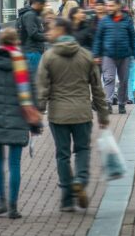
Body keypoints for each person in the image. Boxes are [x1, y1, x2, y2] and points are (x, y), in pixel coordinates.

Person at [36, 18, 109, 211]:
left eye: (51, 29)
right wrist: (103, 114)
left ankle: (67, 199)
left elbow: (42, 87)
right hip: (82, 113)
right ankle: (81, 180)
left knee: (62, 155)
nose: (48, 33)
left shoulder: (49, 56)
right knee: (83, 149)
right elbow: (97, 87)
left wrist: (38, 112)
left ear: (61, 30)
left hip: (58, 114)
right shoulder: (86, 55)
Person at [0, 28, 43, 219]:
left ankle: (1, 202)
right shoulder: (22, 62)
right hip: (19, 116)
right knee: (14, 163)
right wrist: (34, 113)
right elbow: (32, 93)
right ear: (16, 41)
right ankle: (13, 207)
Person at [92, 0, 135, 114]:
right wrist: (96, 55)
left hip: (124, 56)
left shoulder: (127, 20)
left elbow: (133, 39)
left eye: (111, 6)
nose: (108, 8)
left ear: (118, 6)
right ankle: (108, 102)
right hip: (108, 55)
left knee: (123, 81)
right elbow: (98, 39)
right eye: (107, 6)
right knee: (109, 79)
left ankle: (121, 103)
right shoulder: (104, 21)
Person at [17, 0, 47, 81]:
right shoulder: (30, 15)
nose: (43, 8)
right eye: (43, 6)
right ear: (37, 4)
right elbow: (33, 33)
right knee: (33, 79)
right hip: (32, 51)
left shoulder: (31, 14)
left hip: (32, 50)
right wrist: (47, 37)